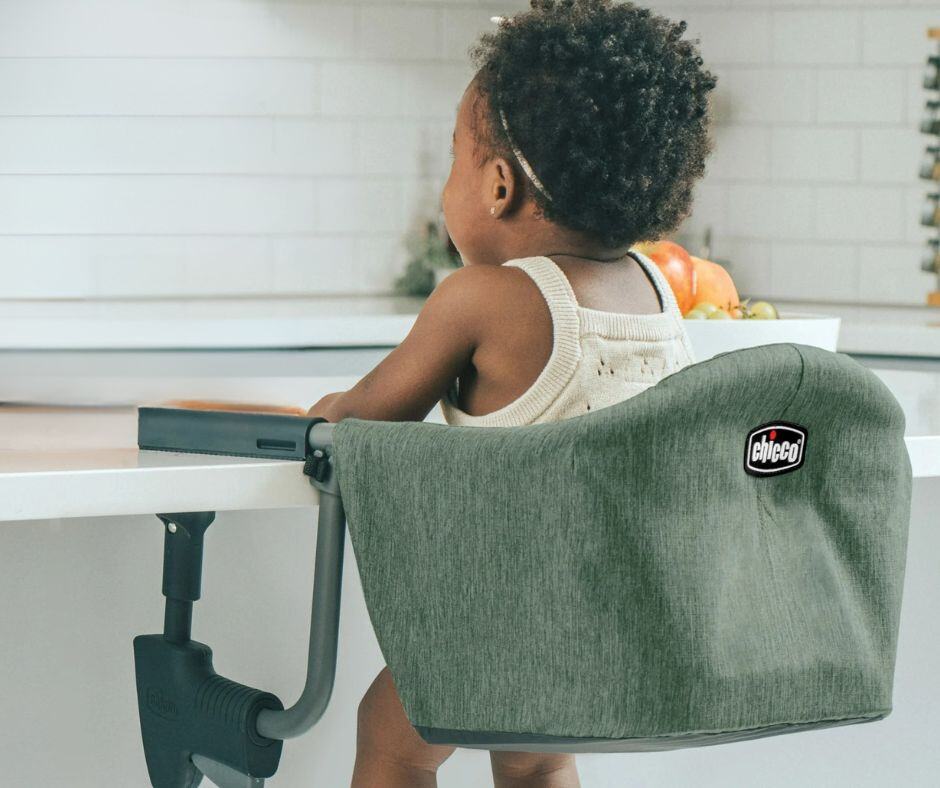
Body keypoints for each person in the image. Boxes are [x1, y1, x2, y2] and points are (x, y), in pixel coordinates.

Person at [308, 2, 717, 785]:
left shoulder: (482, 297)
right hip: (633, 623)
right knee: (532, 761)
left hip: (513, 625)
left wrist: (326, 411)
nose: (446, 184)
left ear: (497, 187)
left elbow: (364, 419)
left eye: (455, 159)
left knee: (391, 734)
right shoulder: (656, 290)